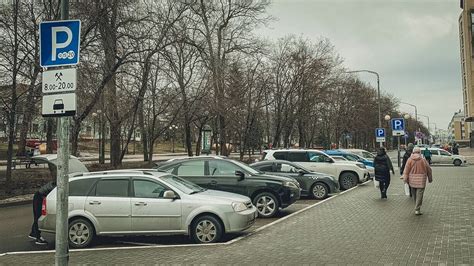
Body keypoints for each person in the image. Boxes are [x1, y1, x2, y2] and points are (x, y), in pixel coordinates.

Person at [403, 147, 433, 215]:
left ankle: (416, 206)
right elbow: (429, 169)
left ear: (413, 152)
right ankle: (417, 209)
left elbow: (406, 170)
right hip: (421, 180)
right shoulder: (423, 160)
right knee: (420, 194)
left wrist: (405, 179)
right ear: (420, 152)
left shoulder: (409, 160)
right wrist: (430, 179)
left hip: (412, 180)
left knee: (414, 194)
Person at [29, 180, 56, 245]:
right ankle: (38, 238)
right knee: (39, 217)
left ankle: (33, 233)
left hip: (39, 196)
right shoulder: (57, 185)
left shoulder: (57, 182)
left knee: (38, 216)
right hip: (40, 197)